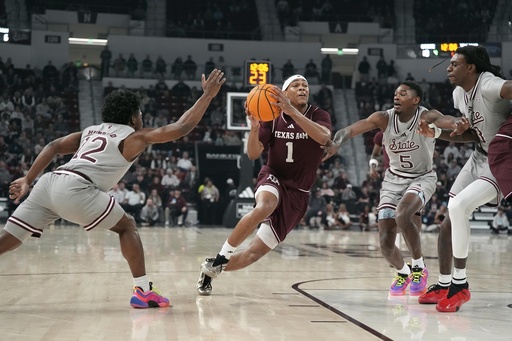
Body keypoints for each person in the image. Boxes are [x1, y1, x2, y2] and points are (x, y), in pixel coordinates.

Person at [3, 69, 226, 308]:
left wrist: (28, 178)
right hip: (77, 188)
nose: (142, 118)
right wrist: (207, 96)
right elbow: (182, 127)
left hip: (48, 182)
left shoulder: (91, 130)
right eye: (139, 114)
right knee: (127, 226)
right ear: (132, 118)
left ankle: (143, 290)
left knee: (11, 237)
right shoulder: (134, 137)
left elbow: (54, 145)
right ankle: (142, 290)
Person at [196, 74, 332, 295]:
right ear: (283, 93)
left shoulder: (319, 114)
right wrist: (254, 127)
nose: (302, 88)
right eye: (295, 85)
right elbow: (252, 154)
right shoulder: (271, 117)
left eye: (305, 85)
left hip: (298, 192)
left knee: (252, 254)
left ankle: (211, 269)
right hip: (274, 176)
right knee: (265, 206)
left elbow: (324, 137)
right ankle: (222, 255)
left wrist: (293, 112)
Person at [324, 81, 454, 298]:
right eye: (395, 93)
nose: (397, 96)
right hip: (392, 180)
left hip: (421, 177)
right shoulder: (383, 118)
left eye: (403, 94)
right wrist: (337, 141)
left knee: (403, 215)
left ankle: (418, 268)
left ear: (416, 100)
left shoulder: (426, 116)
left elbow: (445, 120)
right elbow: (350, 129)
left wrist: (459, 122)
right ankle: (402, 273)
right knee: (385, 243)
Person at [416, 46, 512, 312]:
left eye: (455, 63)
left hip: (502, 159)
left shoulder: (490, 85)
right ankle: (446, 283)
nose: (449, 68)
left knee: (459, 207)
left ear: (471, 68)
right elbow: (472, 135)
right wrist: (436, 134)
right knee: (449, 218)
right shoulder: (460, 93)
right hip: (479, 155)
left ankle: (461, 286)